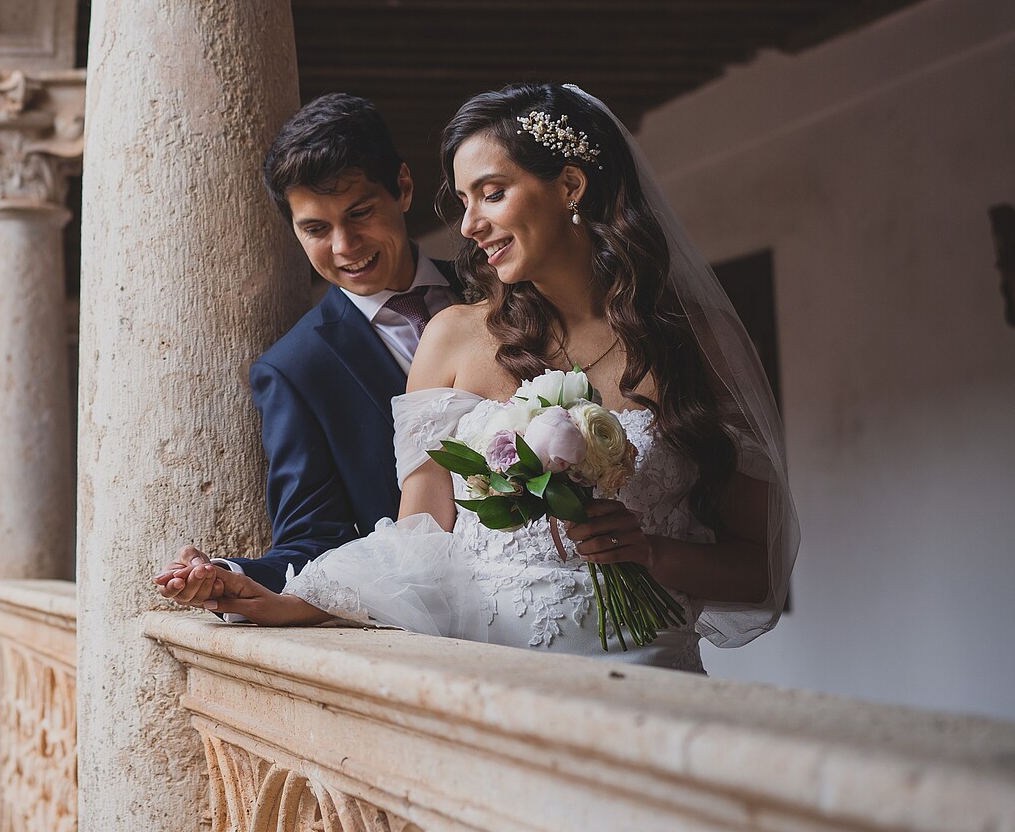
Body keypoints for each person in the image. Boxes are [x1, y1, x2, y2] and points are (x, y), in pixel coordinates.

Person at [158, 84, 797, 671]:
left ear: (571, 185)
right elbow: (416, 545)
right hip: (492, 683)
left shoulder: (697, 343)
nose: (468, 226)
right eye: (463, 202)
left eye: (491, 194)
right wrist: (270, 593)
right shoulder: (455, 337)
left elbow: (756, 571)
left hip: (649, 681)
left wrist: (653, 553)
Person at [157, 94, 461, 608]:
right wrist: (227, 573)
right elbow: (312, 538)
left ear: (403, 188)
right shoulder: (295, 370)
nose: (344, 246)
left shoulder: (499, 290)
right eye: (316, 229)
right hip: (437, 616)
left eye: (360, 213)